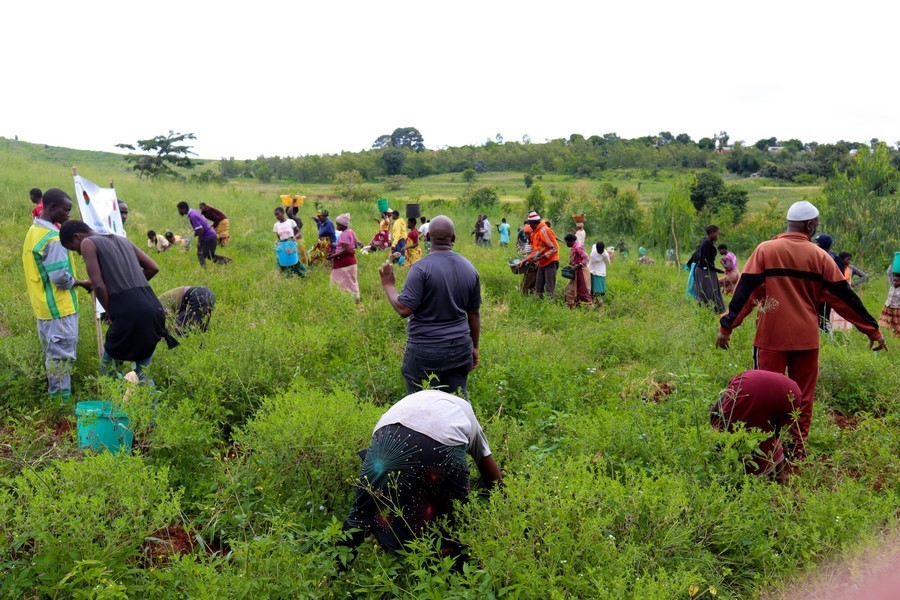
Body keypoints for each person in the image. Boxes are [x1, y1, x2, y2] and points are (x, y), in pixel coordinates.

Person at [716, 200, 886, 459]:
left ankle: (768, 452)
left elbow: (746, 293)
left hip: (771, 338)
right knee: (803, 398)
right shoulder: (821, 257)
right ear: (809, 225)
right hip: (807, 339)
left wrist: (727, 326)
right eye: (814, 225)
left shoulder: (765, 251)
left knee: (766, 396)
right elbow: (845, 298)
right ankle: (797, 451)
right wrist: (872, 330)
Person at [343, 389, 502, 555]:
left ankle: (338, 567)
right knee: (457, 522)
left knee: (361, 514)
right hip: (439, 449)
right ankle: (452, 568)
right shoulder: (465, 410)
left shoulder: (409, 401)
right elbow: (489, 471)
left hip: (387, 437)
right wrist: (503, 499)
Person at [59, 220, 176, 379]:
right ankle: (146, 403)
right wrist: (128, 286)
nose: (78, 253)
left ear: (77, 236)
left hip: (129, 313)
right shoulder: (121, 239)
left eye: (74, 248)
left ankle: (119, 402)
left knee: (109, 370)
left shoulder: (87, 243)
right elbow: (152, 268)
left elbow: (98, 286)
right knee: (142, 373)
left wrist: (112, 312)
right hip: (154, 309)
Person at [379, 216, 481, 397]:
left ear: (426, 238)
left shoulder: (420, 269)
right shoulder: (469, 269)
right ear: (454, 238)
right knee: (456, 403)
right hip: (460, 347)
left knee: (420, 405)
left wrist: (388, 285)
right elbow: (473, 314)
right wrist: (474, 347)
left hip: (425, 350)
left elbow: (404, 309)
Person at [22, 189, 91, 402]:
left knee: (53, 358)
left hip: (43, 309)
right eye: (66, 210)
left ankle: (56, 403)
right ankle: (60, 407)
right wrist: (82, 283)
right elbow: (61, 278)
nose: (68, 215)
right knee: (61, 361)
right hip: (59, 310)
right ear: (51, 208)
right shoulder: (53, 239)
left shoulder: (34, 231)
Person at [710, 370, 803, 482]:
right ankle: (779, 480)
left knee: (752, 439)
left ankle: (765, 480)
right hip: (792, 392)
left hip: (756, 391)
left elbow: (719, 430)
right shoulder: (735, 387)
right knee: (768, 435)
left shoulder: (735, 401)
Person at [177, 201, 230, 266]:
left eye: (179, 210)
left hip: (208, 237)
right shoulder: (194, 211)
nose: (179, 212)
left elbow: (200, 230)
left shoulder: (192, 216)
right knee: (210, 255)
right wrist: (196, 233)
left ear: (183, 209)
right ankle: (228, 262)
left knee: (200, 253)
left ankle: (204, 270)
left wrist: (199, 242)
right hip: (211, 234)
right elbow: (202, 224)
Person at [688, 226, 725, 312]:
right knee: (706, 292)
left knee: (714, 290)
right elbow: (706, 261)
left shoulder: (709, 242)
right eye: (717, 234)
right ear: (712, 232)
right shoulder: (706, 243)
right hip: (703, 270)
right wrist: (718, 270)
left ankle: (716, 310)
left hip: (708, 269)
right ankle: (705, 311)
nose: (718, 236)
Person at [524, 212, 559, 300]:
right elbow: (537, 250)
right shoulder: (536, 233)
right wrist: (525, 260)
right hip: (542, 263)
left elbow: (554, 248)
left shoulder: (545, 231)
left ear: (533, 224)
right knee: (538, 288)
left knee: (549, 289)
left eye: (530, 224)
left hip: (550, 263)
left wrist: (543, 256)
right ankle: (538, 306)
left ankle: (551, 307)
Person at [831, 252, 869, 331]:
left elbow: (863, 275)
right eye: (847, 259)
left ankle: (846, 330)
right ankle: (835, 329)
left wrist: (854, 284)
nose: (849, 261)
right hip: (836, 294)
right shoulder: (835, 266)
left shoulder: (851, 268)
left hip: (847, 293)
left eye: (850, 259)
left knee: (847, 309)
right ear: (842, 259)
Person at [328, 213, 360, 302]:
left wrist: (332, 256)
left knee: (334, 280)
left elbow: (346, 250)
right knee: (352, 281)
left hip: (344, 262)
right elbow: (354, 245)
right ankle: (356, 298)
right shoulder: (351, 232)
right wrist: (337, 244)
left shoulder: (344, 234)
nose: (337, 226)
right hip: (352, 261)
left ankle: (339, 299)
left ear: (343, 226)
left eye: (338, 225)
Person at [815, 233, 843, 331]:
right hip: (817, 294)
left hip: (826, 295)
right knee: (818, 317)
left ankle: (829, 339)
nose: (815, 245)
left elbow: (839, 278)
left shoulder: (832, 258)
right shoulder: (821, 256)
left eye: (817, 243)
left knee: (824, 317)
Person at [273, 207, 307, 277]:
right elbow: (279, 237)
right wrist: (277, 241)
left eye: (278, 214)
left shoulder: (290, 222)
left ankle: (303, 274)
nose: (277, 216)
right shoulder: (276, 225)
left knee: (295, 260)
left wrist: (295, 237)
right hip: (283, 244)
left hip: (291, 242)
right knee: (281, 260)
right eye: (275, 215)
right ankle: (286, 275)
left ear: (283, 213)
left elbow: (298, 232)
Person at [563, 233, 592, 308]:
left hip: (581, 271)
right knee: (569, 289)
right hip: (576, 270)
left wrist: (577, 267)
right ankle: (571, 307)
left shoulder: (578, 247)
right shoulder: (574, 247)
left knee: (583, 290)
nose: (566, 243)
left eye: (566, 242)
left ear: (571, 242)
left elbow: (586, 258)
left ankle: (589, 308)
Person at [879, 267, 900, 337]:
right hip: (888, 307)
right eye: (894, 280)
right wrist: (894, 263)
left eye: (897, 281)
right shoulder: (892, 285)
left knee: (897, 325)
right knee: (882, 323)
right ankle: (880, 335)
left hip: (897, 309)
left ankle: (896, 337)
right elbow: (889, 273)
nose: (894, 282)